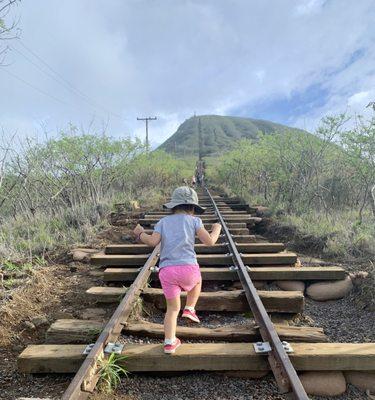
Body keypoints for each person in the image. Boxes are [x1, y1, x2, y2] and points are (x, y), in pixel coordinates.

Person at [133, 186, 222, 354]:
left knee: (172, 309)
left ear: (173, 206)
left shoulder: (163, 222)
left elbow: (152, 242)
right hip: (189, 269)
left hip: (167, 271)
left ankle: (169, 342)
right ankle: (190, 308)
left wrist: (140, 234)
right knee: (198, 281)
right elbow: (209, 241)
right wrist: (216, 228)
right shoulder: (195, 221)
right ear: (193, 208)